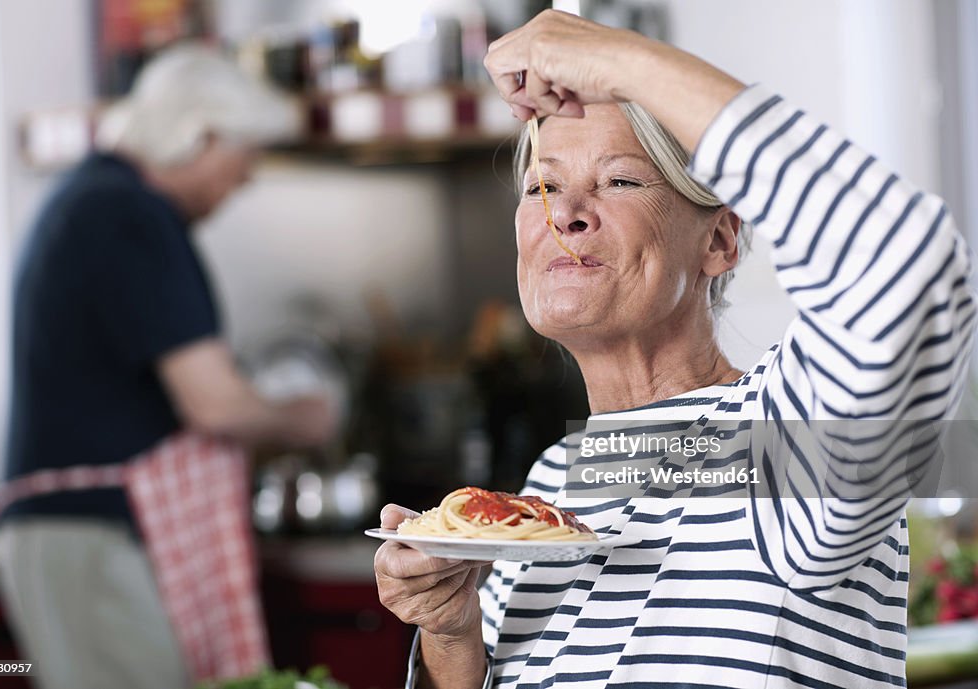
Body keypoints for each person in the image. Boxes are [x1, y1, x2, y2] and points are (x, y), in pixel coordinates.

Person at [374, 10, 976, 689]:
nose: (564, 211)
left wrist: (621, 61)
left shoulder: (781, 439)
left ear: (721, 240)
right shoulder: (552, 485)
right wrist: (452, 638)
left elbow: (906, 265)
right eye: (541, 185)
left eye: (620, 180)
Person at [0, 44, 337, 689]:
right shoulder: (129, 214)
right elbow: (215, 404)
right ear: (201, 135)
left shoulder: (99, 199)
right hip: (87, 537)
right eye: (244, 157)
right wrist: (308, 418)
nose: (246, 178)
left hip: (79, 532)